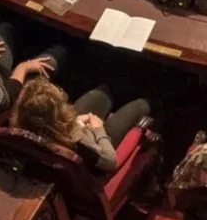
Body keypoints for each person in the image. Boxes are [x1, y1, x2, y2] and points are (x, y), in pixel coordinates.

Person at [12, 75, 148, 177]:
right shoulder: (79, 144)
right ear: (59, 114)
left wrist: (77, 121)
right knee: (141, 104)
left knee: (101, 93)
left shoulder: (19, 132)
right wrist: (98, 130)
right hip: (95, 152)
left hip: (73, 135)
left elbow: (51, 128)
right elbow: (110, 161)